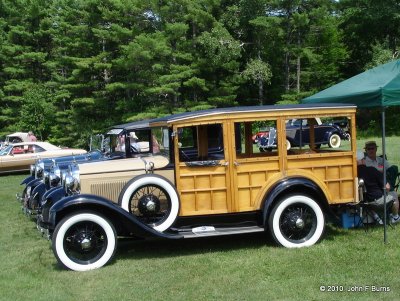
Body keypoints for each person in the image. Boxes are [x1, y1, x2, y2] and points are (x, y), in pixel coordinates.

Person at [357, 150, 400, 224]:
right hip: (378, 202)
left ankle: (377, 218)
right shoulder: (372, 170)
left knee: (369, 197)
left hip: (365, 203)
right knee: (394, 197)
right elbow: (387, 187)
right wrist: (386, 192)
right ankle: (395, 217)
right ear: (363, 160)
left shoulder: (354, 173)